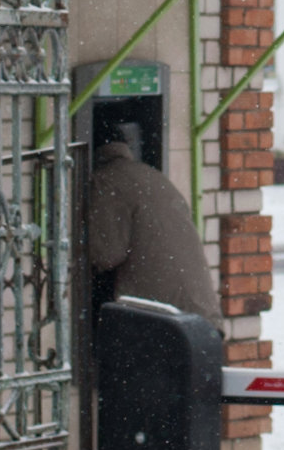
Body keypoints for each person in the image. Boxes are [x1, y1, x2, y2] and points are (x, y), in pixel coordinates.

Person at [85, 127, 221, 316]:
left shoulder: (105, 180)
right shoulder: (154, 176)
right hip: (198, 315)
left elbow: (105, 254)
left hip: (162, 317)